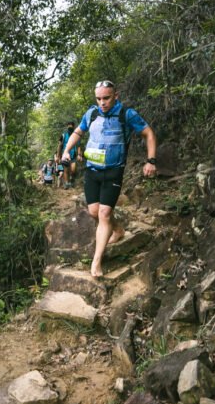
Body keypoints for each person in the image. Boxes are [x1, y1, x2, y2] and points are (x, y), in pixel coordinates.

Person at [61, 80, 157, 277]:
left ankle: (96, 262)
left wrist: (151, 161)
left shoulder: (126, 114)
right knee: (94, 211)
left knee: (104, 214)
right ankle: (118, 229)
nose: (102, 102)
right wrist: (66, 150)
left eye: (106, 98)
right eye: (98, 99)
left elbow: (148, 134)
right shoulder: (92, 113)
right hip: (92, 170)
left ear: (116, 96)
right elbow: (78, 132)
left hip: (114, 170)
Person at [56, 121, 79, 188]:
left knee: (73, 170)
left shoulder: (76, 135)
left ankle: (71, 179)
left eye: (71, 126)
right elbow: (59, 146)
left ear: (74, 127)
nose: (70, 127)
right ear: (67, 127)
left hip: (73, 155)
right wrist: (58, 156)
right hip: (65, 155)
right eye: (69, 126)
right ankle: (66, 183)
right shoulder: (63, 135)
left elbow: (78, 145)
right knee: (66, 170)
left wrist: (79, 154)